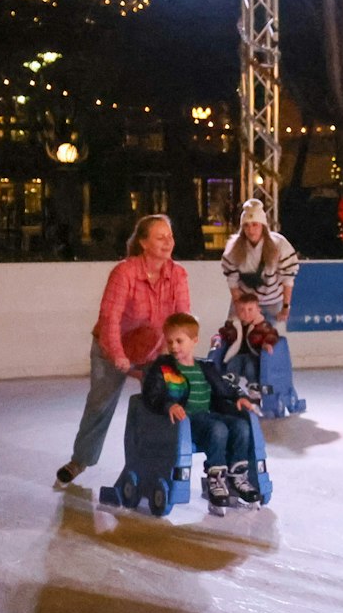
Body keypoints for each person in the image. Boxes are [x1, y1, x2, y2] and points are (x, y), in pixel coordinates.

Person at [55, 214, 190, 486]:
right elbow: (110, 319)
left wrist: (177, 351)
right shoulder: (125, 272)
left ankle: (158, 461)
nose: (168, 242)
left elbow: (180, 318)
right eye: (160, 237)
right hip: (111, 347)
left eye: (170, 236)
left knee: (164, 401)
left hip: (154, 350)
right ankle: (79, 460)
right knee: (100, 404)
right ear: (143, 243)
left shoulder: (178, 274)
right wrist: (119, 356)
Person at [142, 314, 263, 513]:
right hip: (185, 423)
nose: (174, 346)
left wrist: (238, 398)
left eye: (179, 341)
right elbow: (152, 395)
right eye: (170, 341)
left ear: (194, 341)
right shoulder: (163, 368)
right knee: (218, 429)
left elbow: (224, 387)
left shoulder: (205, 367)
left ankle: (237, 475)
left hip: (209, 415)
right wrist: (168, 405)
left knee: (241, 426)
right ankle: (215, 478)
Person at [220, 197, 304, 412]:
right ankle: (229, 386)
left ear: (263, 225)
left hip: (272, 301)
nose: (251, 229)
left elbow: (288, 277)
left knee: (265, 345)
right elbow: (231, 279)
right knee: (234, 339)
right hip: (245, 301)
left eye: (255, 224)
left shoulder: (278, 245)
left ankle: (260, 387)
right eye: (246, 225)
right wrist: (242, 308)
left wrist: (286, 306)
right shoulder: (234, 248)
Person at [209, 289, 280, 404]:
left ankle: (253, 386)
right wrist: (217, 339)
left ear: (258, 310)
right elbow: (224, 333)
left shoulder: (263, 325)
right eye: (242, 310)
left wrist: (267, 343)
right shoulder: (234, 324)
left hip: (255, 356)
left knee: (249, 365)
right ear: (237, 310)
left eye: (250, 310)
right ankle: (231, 381)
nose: (246, 313)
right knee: (234, 362)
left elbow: (272, 335)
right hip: (237, 354)